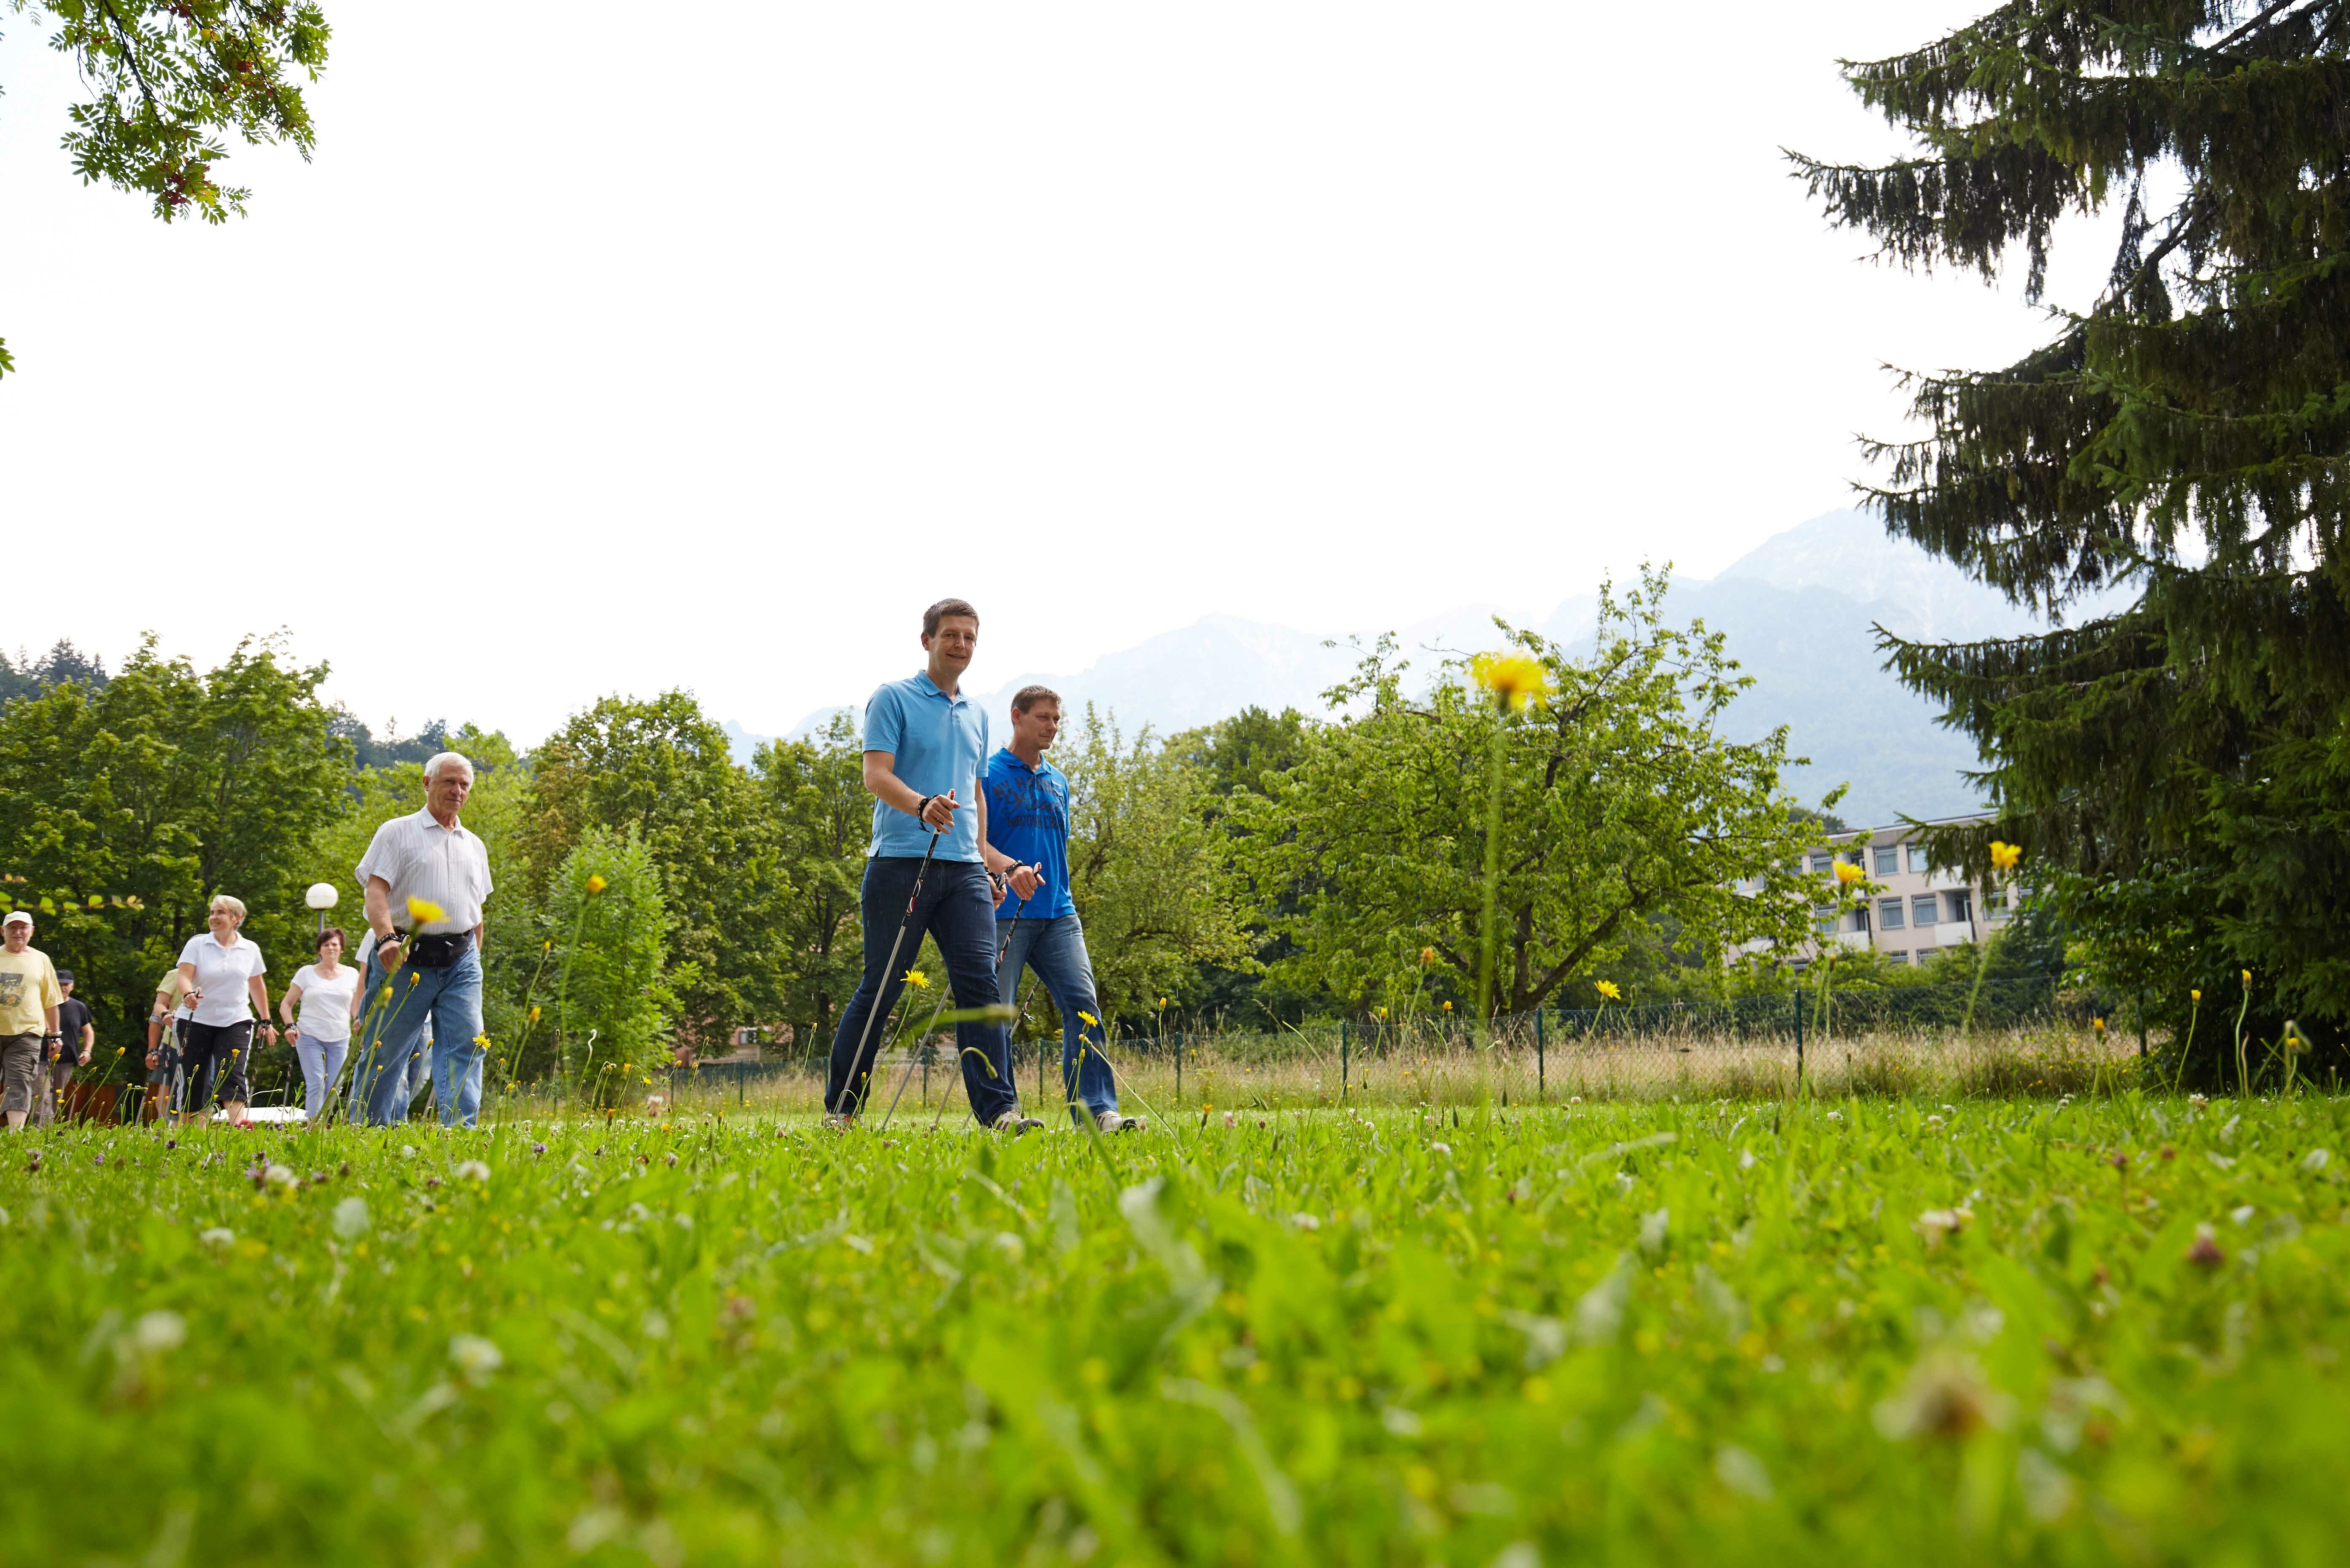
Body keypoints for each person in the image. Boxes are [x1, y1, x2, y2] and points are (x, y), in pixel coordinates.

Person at [824, 598, 1039, 1133]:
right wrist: (921, 805)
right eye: (950, 635)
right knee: (883, 988)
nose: (960, 644)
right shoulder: (892, 698)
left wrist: (986, 865)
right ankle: (842, 1111)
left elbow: (975, 794)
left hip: (964, 870)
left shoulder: (977, 714)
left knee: (980, 989)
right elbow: (876, 776)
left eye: (969, 636)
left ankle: (999, 1113)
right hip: (900, 863)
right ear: (927, 640)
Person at [982, 686, 1143, 1133]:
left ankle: (1097, 1113)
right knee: (998, 1012)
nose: (1053, 726)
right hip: (1002, 914)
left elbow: (1058, 846)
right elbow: (975, 845)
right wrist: (1005, 872)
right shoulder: (989, 775)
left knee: (1083, 1004)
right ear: (1017, 717)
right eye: (1044, 718)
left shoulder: (1059, 781)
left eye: (1057, 719)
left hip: (1059, 915)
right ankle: (1002, 1114)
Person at [348, 752, 492, 1128]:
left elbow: (476, 908)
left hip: (462, 961)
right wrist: (385, 939)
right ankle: (367, 1130)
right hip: (404, 958)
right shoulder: (397, 832)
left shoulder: (474, 845)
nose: (457, 790)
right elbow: (376, 892)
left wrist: (475, 955)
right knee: (386, 1050)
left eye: (464, 784)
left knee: (467, 1045)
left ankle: (461, 1132)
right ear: (427, 783)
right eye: (449, 781)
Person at [176, 894, 277, 1127]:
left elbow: (257, 985)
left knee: (232, 1074)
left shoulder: (250, 949)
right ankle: (192, 1136)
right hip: (195, 1020)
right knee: (195, 1077)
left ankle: (238, 1132)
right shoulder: (197, 944)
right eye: (212, 913)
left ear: (236, 918)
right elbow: (184, 976)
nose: (213, 917)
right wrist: (187, 994)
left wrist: (266, 1020)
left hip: (236, 1020)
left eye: (219, 913)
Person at [281, 927, 362, 1124]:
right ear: (319, 950)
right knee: (317, 1081)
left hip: (340, 1038)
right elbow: (286, 1004)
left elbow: (355, 1006)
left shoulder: (352, 974)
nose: (331, 948)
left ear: (342, 949)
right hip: (309, 1036)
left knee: (336, 1085)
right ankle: (313, 1126)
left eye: (335, 944)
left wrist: (358, 1020)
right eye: (326, 945)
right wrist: (290, 1026)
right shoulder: (306, 974)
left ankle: (323, 1122)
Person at [0, 911, 65, 1132]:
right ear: (3, 931)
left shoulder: (41, 960)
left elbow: (51, 1001)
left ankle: (14, 1135)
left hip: (26, 1033)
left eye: (23, 928)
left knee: (19, 1082)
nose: (18, 932)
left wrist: (55, 1035)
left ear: (31, 932)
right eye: (12, 928)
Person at [40, 967, 96, 1126]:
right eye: (60, 984)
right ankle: (31, 1127)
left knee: (56, 1097)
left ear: (72, 987)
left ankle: (45, 1130)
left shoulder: (79, 1007)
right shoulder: (44, 1004)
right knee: (39, 1094)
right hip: (42, 1057)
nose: (63, 987)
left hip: (66, 1060)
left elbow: (89, 1032)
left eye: (67, 984)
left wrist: (87, 1051)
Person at [142, 965, 193, 1123]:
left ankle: (187, 1131)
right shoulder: (175, 975)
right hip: (171, 1043)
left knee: (193, 1093)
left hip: (202, 1043)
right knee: (165, 1095)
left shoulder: (214, 977)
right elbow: (156, 1017)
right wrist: (152, 1050)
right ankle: (166, 1129)